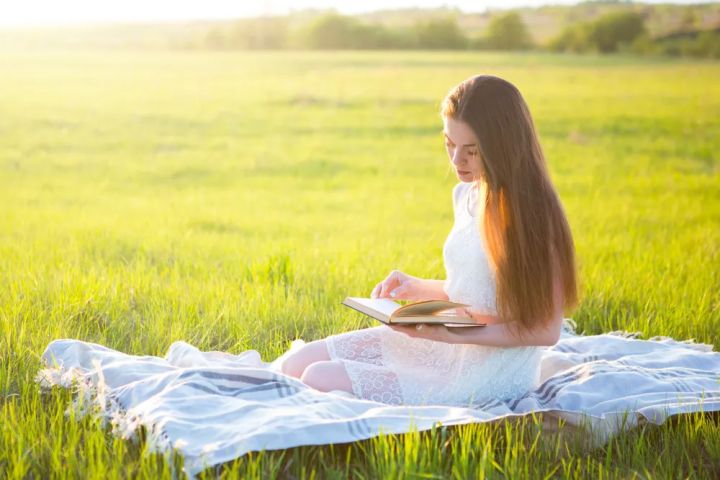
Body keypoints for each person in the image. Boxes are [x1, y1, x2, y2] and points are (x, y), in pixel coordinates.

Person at [279, 74, 579, 406]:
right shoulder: (465, 194)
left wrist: (453, 334)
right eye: (450, 144)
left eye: (471, 151)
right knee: (297, 363)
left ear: (504, 147)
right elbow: (480, 290)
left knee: (318, 377)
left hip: (490, 368)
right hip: (446, 343)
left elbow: (546, 330)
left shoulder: (534, 214)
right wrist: (417, 286)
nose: (456, 161)